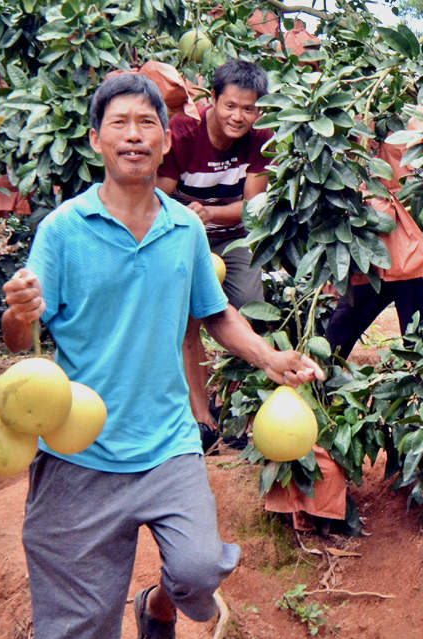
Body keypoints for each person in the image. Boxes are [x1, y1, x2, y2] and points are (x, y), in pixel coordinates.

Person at [1, 74, 324, 639]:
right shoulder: (62, 232)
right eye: (119, 123)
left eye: (147, 122)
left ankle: (156, 604)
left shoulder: (184, 231)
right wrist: (19, 312)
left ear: (166, 140)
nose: (134, 135)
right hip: (78, 451)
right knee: (79, 628)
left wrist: (268, 357)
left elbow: (217, 314)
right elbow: (18, 339)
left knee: (198, 570)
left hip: (166, 444)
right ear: (96, 138)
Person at [156, 59, 272, 448]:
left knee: (248, 311)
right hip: (185, 239)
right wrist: (190, 222)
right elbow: (159, 196)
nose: (239, 117)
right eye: (231, 106)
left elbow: (253, 208)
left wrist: (209, 213)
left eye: (249, 108)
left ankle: (236, 409)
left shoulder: (260, 141)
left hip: (235, 239)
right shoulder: (183, 134)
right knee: (191, 324)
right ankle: (202, 415)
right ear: (214, 101)